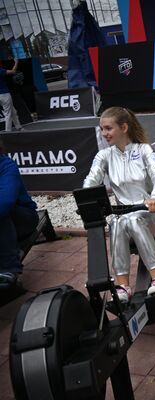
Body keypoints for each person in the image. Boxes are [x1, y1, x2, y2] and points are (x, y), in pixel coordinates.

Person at [83, 107, 155, 303]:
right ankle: (122, 286)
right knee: (117, 221)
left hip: (153, 215)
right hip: (124, 217)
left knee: (134, 219)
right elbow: (90, 181)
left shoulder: (144, 149)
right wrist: (86, 200)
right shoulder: (104, 156)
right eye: (102, 129)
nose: (104, 134)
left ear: (124, 127)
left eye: (108, 128)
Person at [0, 139, 38, 290]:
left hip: (23, 218)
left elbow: (5, 203)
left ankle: (8, 268)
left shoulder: (6, 165)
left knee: (2, 212)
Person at [0, 58, 23, 132]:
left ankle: (18, 127)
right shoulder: (0, 70)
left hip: (1, 95)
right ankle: (8, 131)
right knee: (8, 113)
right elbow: (13, 71)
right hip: (4, 94)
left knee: (13, 111)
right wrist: (16, 62)